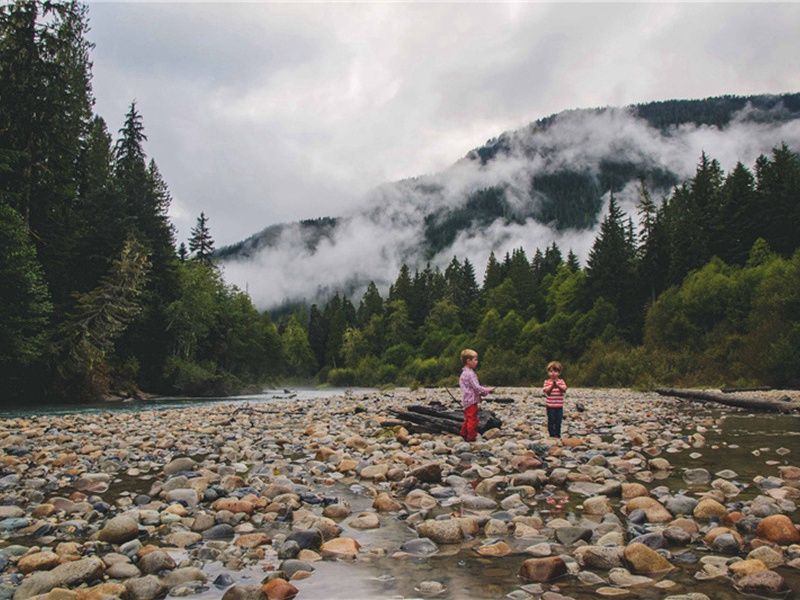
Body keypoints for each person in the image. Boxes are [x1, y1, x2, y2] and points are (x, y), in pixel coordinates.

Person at [459, 349, 495, 442]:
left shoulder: (464, 373)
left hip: (467, 399)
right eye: (475, 360)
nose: (477, 362)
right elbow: (476, 387)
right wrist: (487, 391)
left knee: (468, 418)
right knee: (473, 419)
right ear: (468, 361)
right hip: (471, 400)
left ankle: (463, 433)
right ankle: (471, 437)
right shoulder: (470, 374)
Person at [543, 361, 567, 439]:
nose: (553, 373)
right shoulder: (547, 382)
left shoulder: (561, 381)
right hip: (550, 405)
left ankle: (557, 434)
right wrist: (553, 386)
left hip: (559, 406)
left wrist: (557, 386)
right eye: (551, 371)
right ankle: (552, 434)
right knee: (551, 420)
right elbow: (547, 391)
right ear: (548, 372)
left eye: (555, 371)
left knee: (558, 421)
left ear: (559, 373)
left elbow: (564, 389)